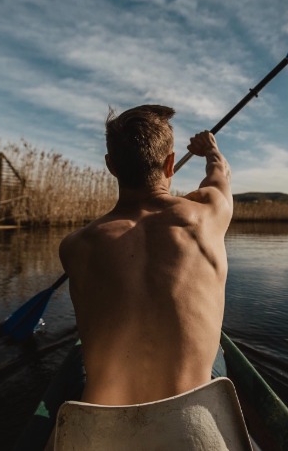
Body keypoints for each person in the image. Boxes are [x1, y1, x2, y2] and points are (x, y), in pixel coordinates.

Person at [59, 104, 233, 406]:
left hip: (104, 421)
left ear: (111, 165)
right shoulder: (207, 214)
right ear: (170, 164)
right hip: (186, 415)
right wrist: (211, 150)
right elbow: (221, 175)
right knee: (217, 350)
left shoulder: (76, 245)